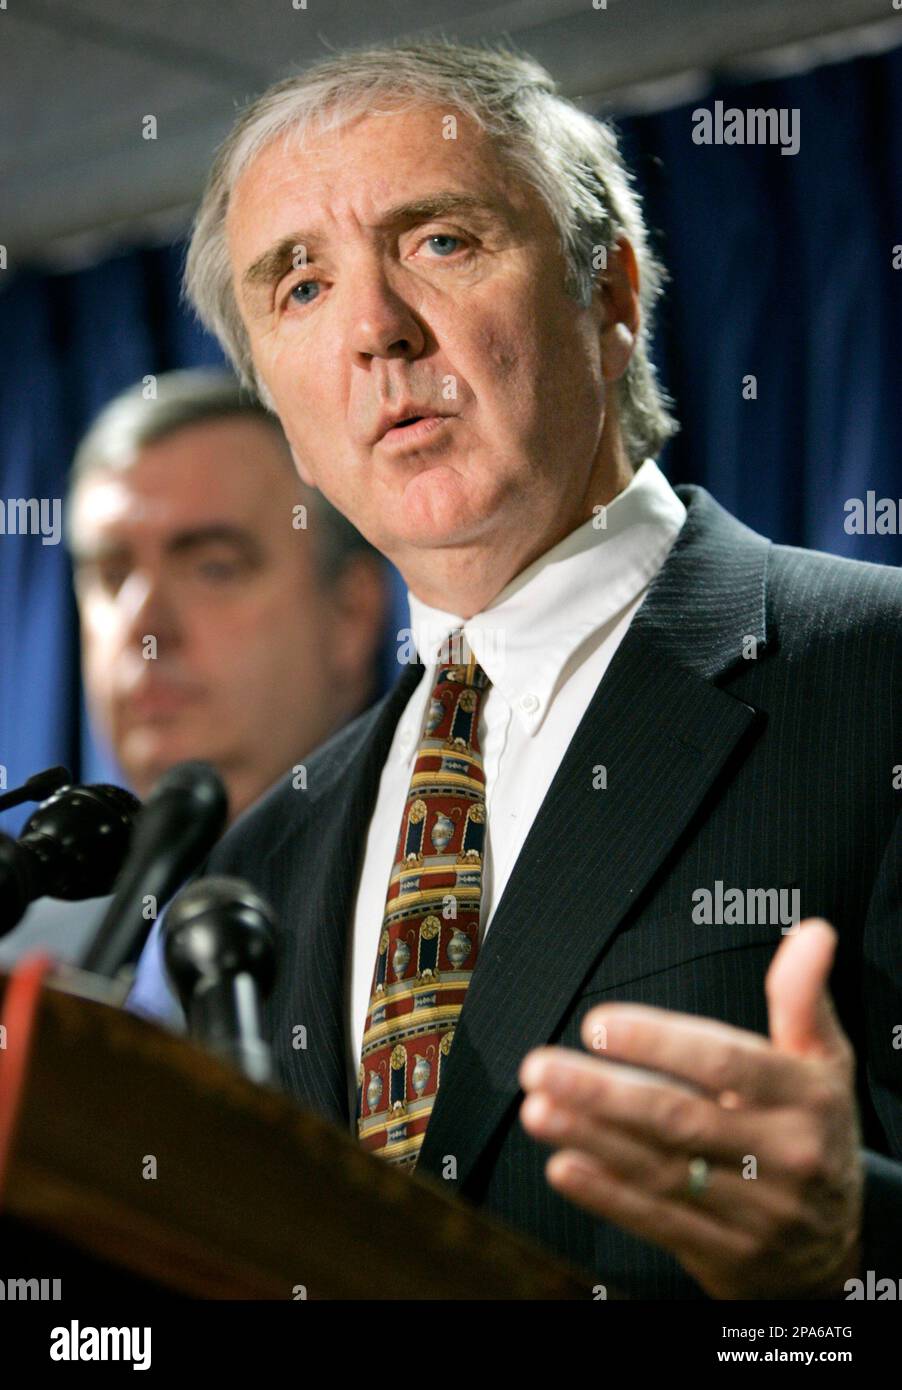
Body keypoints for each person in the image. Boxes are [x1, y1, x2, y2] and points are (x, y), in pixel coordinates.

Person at [127, 40, 902, 1299]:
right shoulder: (259, 862)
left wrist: (849, 1243)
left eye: (437, 240)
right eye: (301, 286)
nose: (375, 329)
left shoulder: (875, 675)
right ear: (287, 425)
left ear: (612, 300)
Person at [0, 370, 387, 967]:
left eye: (213, 567)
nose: (144, 625)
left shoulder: (430, 911)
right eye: (111, 575)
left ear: (351, 613)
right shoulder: (27, 960)